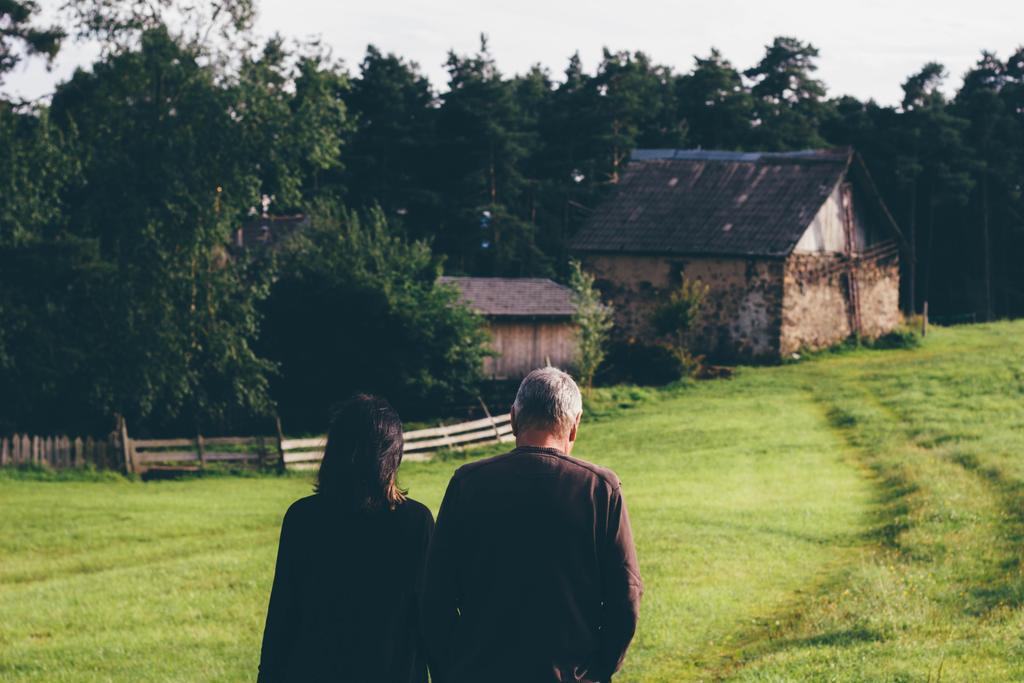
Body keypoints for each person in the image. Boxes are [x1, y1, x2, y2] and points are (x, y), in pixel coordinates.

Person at [420, 367, 642, 683]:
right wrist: (598, 670)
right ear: (575, 426)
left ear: (513, 418)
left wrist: (452, 670)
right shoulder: (599, 489)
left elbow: (435, 596)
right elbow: (626, 596)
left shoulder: (468, 484)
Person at [258, 394, 434, 683]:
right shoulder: (415, 522)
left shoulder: (302, 518)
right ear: (392, 455)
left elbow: (282, 617)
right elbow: (430, 621)